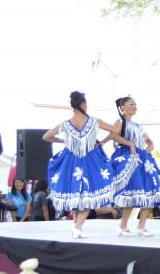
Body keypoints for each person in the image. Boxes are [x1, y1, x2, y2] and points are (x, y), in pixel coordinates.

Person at [43, 91, 138, 239]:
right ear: (83, 104)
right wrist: (103, 141)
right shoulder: (94, 121)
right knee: (89, 195)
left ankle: (76, 226)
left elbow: (47, 136)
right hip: (90, 161)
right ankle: (77, 227)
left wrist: (64, 141)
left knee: (76, 194)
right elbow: (115, 130)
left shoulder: (65, 124)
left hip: (71, 161)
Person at [106, 96, 160, 237]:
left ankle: (141, 226)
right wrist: (130, 144)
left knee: (149, 192)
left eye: (135, 104)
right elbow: (114, 136)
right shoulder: (120, 122)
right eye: (131, 104)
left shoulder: (138, 126)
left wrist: (147, 150)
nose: (135, 106)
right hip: (128, 158)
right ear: (123, 108)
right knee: (131, 193)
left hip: (142, 160)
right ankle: (122, 226)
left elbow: (150, 142)